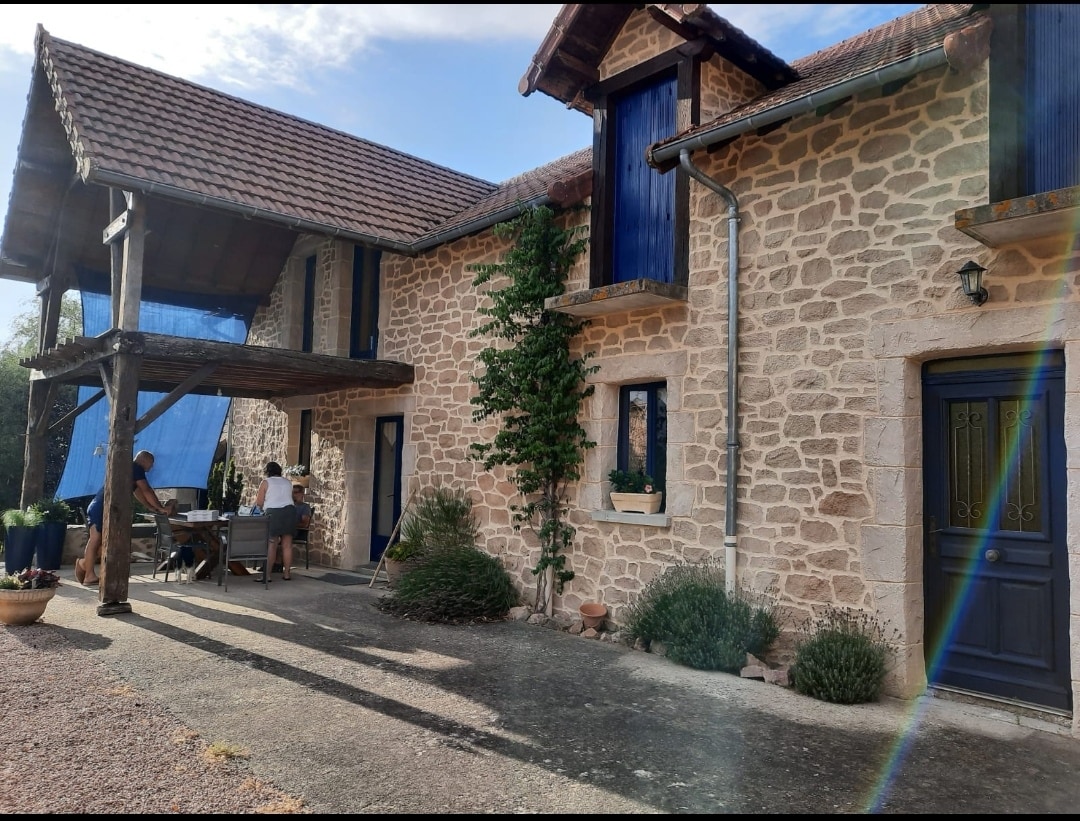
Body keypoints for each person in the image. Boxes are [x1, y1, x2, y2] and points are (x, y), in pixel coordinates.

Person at [77, 450, 175, 587]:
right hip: (101, 506)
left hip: (99, 505)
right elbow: (146, 490)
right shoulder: (136, 468)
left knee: (102, 542)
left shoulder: (129, 470)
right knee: (95, 540)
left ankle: (84, 564)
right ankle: (88, 575)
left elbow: (138, 492)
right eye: (151, 464)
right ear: (144, 460)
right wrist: (161, 508)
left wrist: (151, 507)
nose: (151, 467)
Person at [253, 461, 296, 581]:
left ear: (267, 472)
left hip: (274, 513)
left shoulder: (266, 482)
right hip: (289, 512)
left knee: (272, 545)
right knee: (287, 545)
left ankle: (267, 575)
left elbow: (259, 503)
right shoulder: (288, 482)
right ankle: (287, 574)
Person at [273, 483, 311, 573]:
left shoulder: (305, 507)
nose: (293, 494)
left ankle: (278, 564)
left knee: (279, 539)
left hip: (296, 530)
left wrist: (290, 524)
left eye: (296, 492)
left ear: (302, 494)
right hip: (284, 529)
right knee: (271, 537)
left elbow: (305, 524)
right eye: (292, 492)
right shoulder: (287, 505)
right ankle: (272, 563)